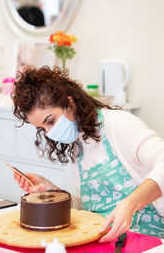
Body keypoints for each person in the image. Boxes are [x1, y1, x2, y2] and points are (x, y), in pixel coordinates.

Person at [11, 66, 164, 242]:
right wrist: (50, 190)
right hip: (107, 240)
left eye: (51, 121)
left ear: (70, 104)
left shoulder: (118, 123)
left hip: (149, 239)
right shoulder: (79, 145)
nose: (49, 133)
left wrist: (130, 204)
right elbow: (89, 208)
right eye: (42, 128)